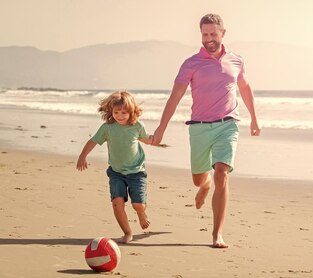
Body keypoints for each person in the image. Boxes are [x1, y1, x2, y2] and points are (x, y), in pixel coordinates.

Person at [151, 13, 260, 248]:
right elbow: (175, 97)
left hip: (227, 124)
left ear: (223, 33)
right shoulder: (191, 63)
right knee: (199, 179)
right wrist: (161, 128)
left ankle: (217, 234)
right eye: (204, 34)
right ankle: (205, 184)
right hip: (199, 127)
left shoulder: (236, 60)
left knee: (222, 174)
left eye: (212, 34)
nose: (208, 39)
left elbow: (245, 87)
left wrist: (254, 118)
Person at [76, 90, 154, 244]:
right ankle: (127, 232)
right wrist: (82, 156)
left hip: (136, 172)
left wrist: (155, 138)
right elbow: (93, 141)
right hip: (116, 173)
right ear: (111, 111)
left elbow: (145, 139)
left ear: (131, 112)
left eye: (124, 112)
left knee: (138, 205)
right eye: (117, 112)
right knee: (117, 203)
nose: (120, 115)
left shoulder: (137, 125)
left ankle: (141, 213)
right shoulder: (107, 128)